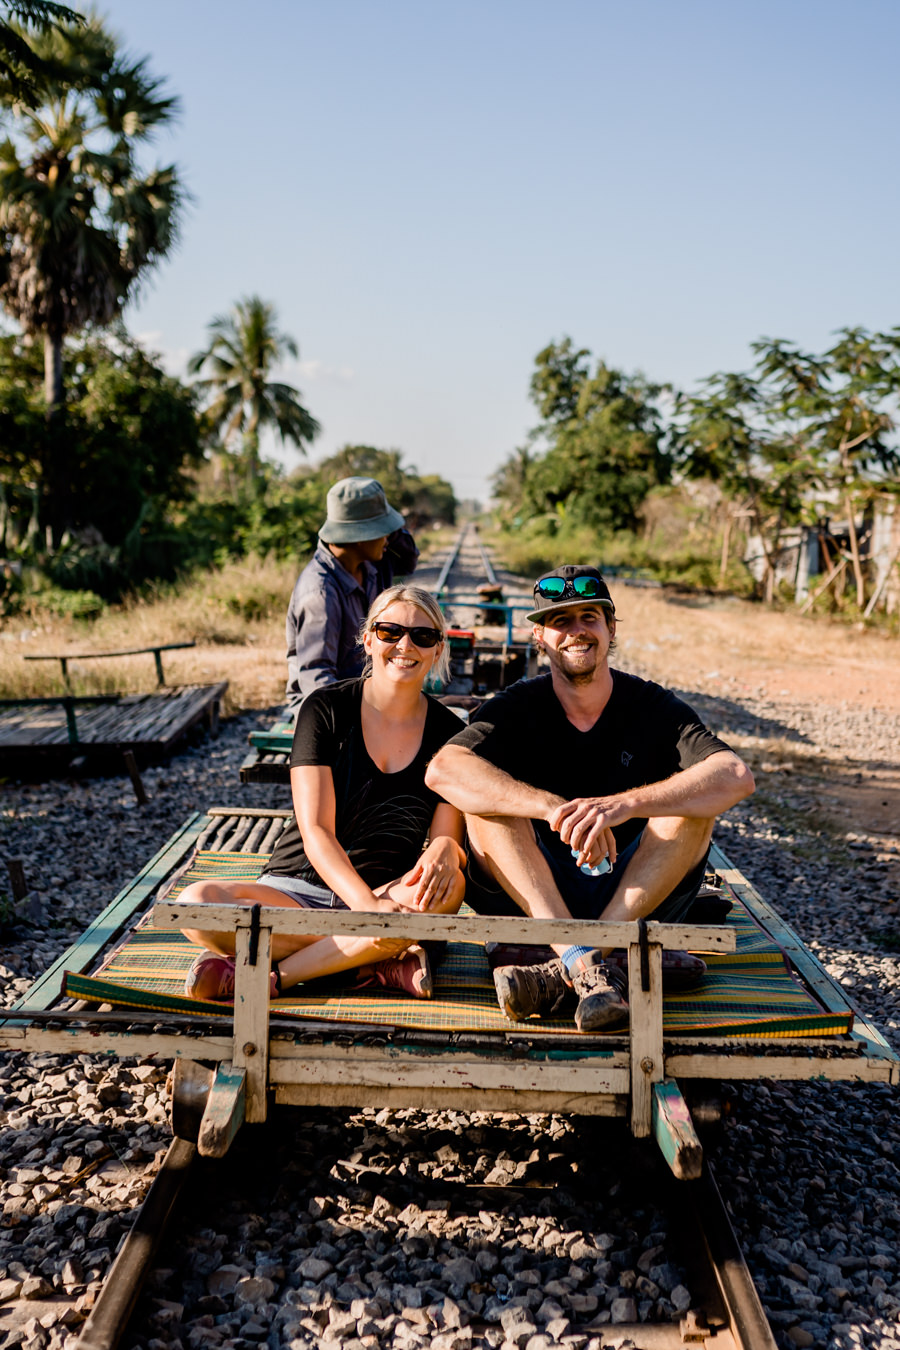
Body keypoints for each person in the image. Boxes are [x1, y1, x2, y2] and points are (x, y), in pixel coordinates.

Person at [425, 564, 755, 1033]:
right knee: (485, 808)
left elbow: (735, 776)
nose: (576, 631)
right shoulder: (518, 705)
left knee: (691, 809)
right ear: (540, 637)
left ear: (610, 628)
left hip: (630, 892)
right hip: (536, 890)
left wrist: (621, 806)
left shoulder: (652, 706)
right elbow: (443, 770)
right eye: (561, 621)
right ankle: (597, 961)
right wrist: (553, 809)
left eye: (589, 618)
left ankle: (572, 966)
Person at [184, 585, 466, 1001]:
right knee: (197, 904)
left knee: (451, 888)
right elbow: (315, 829)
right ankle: (370, 960)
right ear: (369, 638)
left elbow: (447, 837)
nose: (405, 645)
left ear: (437, 649)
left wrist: (446, 847)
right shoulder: (325, 708)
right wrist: (366, 911)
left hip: (391, 891)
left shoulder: (450, 733)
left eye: (422, 636)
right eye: (390, 632)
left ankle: (278, 975)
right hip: (295, 891)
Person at [285, 476, 418, 709]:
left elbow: (408, 561)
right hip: (330, 711)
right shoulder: (321, 593)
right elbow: (317, 679)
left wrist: (387, 526)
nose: (387, 539)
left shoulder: (372, 565)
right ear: (358, 536)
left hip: (367, 693)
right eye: (382, 531)